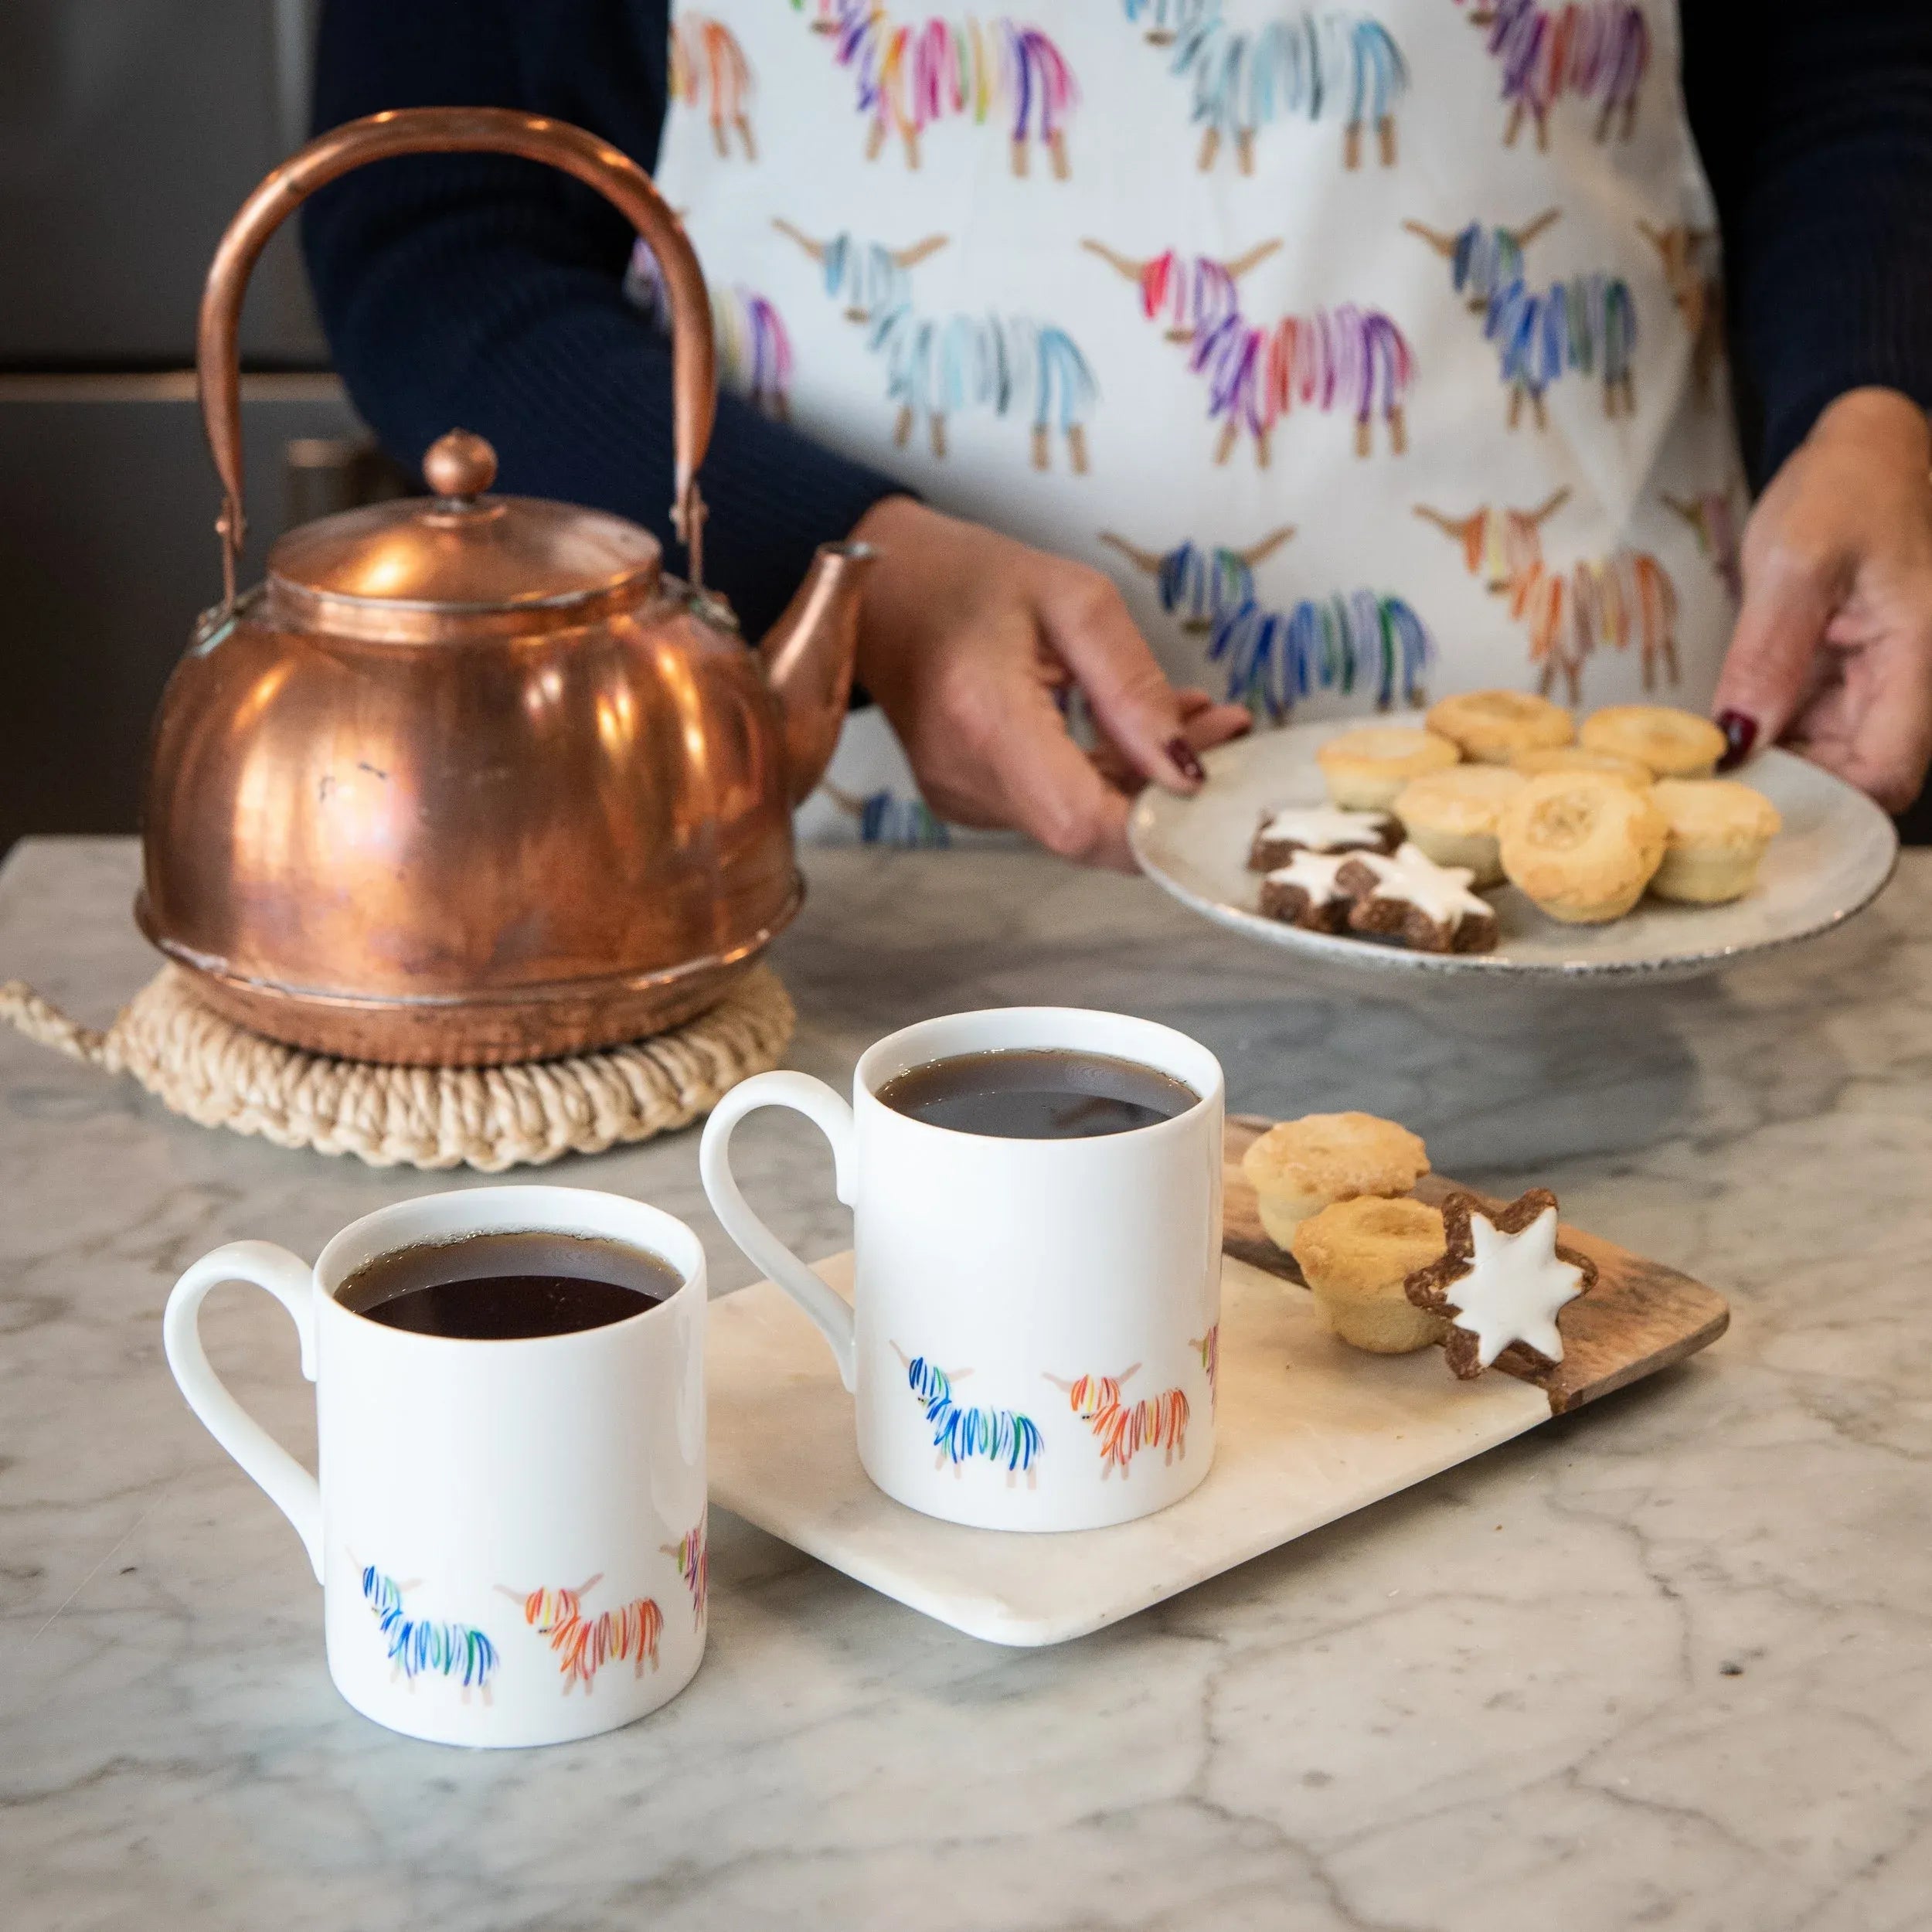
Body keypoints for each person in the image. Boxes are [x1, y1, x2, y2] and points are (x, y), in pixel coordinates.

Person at [304, 2, 1932, 867]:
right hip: (868, 881)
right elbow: (436, 229)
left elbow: (1856, 67)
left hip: (1609, 842)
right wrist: (856, 580)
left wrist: (1872, 403)